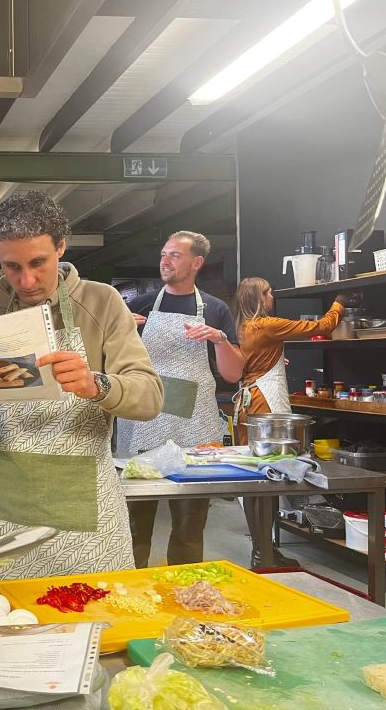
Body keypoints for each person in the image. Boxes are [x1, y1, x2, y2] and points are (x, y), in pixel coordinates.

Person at [0, 191, 162, 579]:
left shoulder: (102, 302)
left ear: (61, 246)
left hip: (87, 519)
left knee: (96, 629)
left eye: (38, 263)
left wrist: (97, 384)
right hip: (4, 512)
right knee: (1, 624)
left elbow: (151, 397)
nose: (27, 280)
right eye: (12, 266)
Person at [117, 231, 245, 568]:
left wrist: (219, 340)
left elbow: (232, 374)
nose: (165, 260)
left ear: (196, 262)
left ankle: (185, 590)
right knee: (134, 523)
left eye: (175, 255)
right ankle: (131, 590)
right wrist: (118, 331)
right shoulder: (139, 306)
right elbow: (109, 361)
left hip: (193, 428)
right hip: (144, 419)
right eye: (164, 254)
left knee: (190, 523)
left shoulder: (215, 310)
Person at [232, 277, 346, 567]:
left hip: (247, 404)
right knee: (269, 477)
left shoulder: (243, 327)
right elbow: (322, 326)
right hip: (265, 403)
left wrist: (273, 358)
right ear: (259, 298)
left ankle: (263, 549)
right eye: (269, 293)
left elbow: (249, 361)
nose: (272, 297)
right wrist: (340, 303)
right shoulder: (267, 325)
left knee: (253, 480)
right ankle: (264, 555)